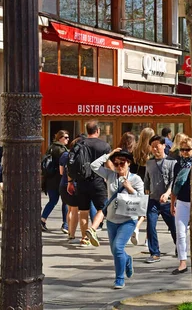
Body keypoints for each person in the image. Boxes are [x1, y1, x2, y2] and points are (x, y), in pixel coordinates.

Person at [90, 148, 144, 289]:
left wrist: (130, 188)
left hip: (128, 220)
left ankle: (119, 279)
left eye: (122, 163)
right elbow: (94, 166)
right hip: (112, 220)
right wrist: (109, 154)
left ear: (129, 163)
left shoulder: (136, 179)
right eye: (116, 163)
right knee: (115, 251)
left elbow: (142, 200)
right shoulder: (110, 175)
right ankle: (127, 260)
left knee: (118, 248)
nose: (119, 166)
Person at [76, 121, 111, 248]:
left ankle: (84, 239)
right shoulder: (104, 146)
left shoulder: (79, 144)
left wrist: (70, 181)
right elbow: (108, 164)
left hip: (81, 181)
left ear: (87, 130)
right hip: (97, 181)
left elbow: (71, 163)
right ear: (98, 131)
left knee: (83, 211)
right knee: (104, 208)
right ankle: (93, 229)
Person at [145, 135, 177, 263]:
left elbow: (173, 181)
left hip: (167, 202)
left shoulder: (172, 162)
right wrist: (146, 189)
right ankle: (154, 253)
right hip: (153, 199)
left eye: (157, 146)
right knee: (151, 225)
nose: (155, 149)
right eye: (152, 147)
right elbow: (147, 180)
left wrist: (167, 193)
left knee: (173, 226)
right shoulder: (149, 163)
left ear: (164, 146)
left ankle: (180, 247)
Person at [170, 137, 192, 274]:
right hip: (182, 202)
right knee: (180, 233)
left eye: (187, 150)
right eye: (182, 150)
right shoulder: (178, 165)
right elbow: (175, 185)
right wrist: (172, 203)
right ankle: (182, 262)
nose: (184, 152)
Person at [41, 130, 69, 233]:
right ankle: (65, 225)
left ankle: (42, 220)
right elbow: (66, 162)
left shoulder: (51, 147)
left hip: (50, 179)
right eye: (65, 137)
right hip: (59, 179)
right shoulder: (60, 149)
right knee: (65, 202)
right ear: (60, 138)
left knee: (52, 200)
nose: (67, 139)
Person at [130, 127, 154, 245]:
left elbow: (131, 168)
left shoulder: (135, 150)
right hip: (149, 183)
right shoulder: (152, 151)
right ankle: (146, 237)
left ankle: (135, 227)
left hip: (136, 182)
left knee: (137, 209)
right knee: (149, 212)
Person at [59, 137, 82, 244]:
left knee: (69, 209)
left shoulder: (65, 155)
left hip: (62, 184)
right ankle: (72, 235)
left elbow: (61, 171)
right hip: (73, 184)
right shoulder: (79, 157)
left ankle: (69, 231)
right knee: (75, 211)